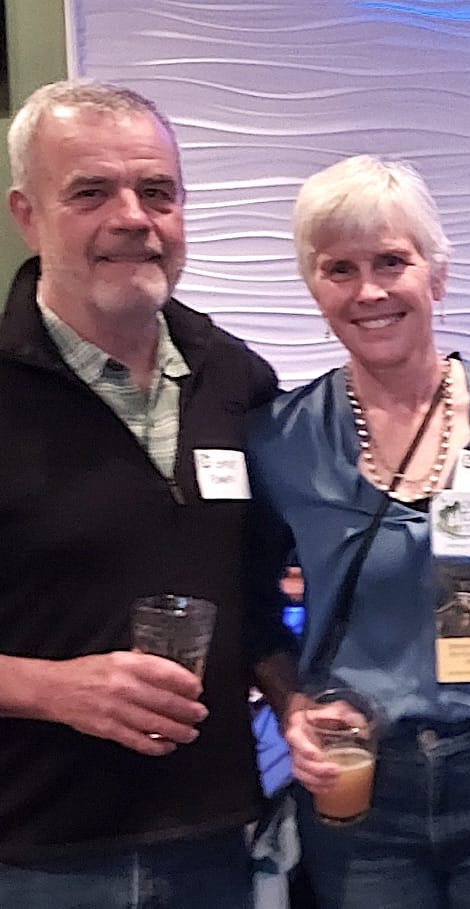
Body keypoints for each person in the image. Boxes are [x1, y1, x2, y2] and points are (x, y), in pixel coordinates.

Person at [246, 155, 470, 908]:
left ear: (437, 274)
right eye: (339, 269)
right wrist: (290, 702)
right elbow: (249, 606)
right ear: (314, 287)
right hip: (361, 783)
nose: (368, 291)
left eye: (391, 262)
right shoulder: (279, 440)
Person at [0, 79, 300, 906]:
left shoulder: (235, 377)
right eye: (91, 192)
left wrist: (295, 700)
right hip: (36, 855)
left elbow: (257, 595)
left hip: (217, 842)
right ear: (28, 215)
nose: (133, 217)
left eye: (157, 192)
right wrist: (50, 688)